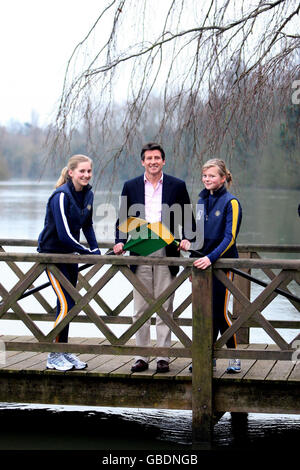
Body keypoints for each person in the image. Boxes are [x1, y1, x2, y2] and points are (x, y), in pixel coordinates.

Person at [114, 142, 195, 373]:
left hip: (166, 248)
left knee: (164, 305)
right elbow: (121, 219)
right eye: (148, 158)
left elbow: (187, 218)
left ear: (163, 160)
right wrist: (120, 240)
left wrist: (188, 238)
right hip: (139, 248)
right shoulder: (130, 186)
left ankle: (163, 357)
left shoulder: (177, 185)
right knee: (140, 308)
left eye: (157, 158)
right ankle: (141, 356)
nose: (153, 162)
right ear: (142, 162)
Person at [37, 154, 101, 371]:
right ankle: (53, 356)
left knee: (69, 305)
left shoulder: (88, 194)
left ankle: (62, 350)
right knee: (65, 304)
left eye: (89, 171)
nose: (86, 175)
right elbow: (64, 234)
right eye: (81, 171)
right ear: (71, 172)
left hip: (70, 255)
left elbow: (88, 225)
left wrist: (96, 249)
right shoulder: (61, 196)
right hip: (53, 256)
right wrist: (85, 252)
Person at [191, 158, 242, 374]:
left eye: (212, 176)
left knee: (220, 313)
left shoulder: (232, 202)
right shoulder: (201, 202)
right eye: (205, 176)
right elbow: (199, 235)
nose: (207, 179)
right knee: (205, 313)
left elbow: (229, 238)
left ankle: (234, 358)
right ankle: (208, 358)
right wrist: (192, 256)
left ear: (223, 178)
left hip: (223, 264)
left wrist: (211, 258)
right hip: (202, 266)